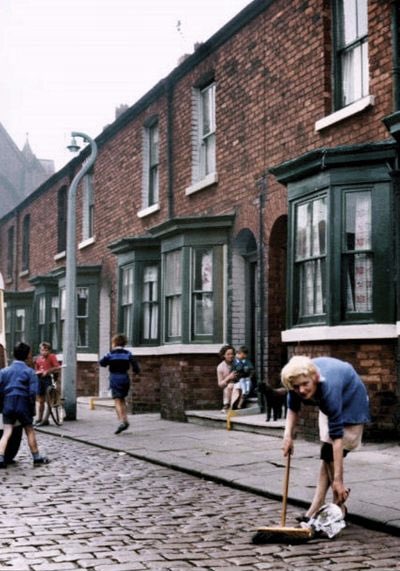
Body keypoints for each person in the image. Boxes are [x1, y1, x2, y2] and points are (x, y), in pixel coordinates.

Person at [280, 355, 370, 522]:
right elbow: (292, 409)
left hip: (351, 401)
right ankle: (323, 506)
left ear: (314, 377)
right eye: (296, 386)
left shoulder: (329, 388)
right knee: (327, 456)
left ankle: (336, 505)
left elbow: (337, 439)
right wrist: (287, 437)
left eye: (305, 384)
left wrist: (338, 481)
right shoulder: (296, 382)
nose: (301, 390)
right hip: (328, 403)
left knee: (329, 452)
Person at [0, 342, 50, 468]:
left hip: (8, 402)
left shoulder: (4, 371)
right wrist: (32, 409)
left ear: (13, 354)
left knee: (7, 431)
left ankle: (0, 457)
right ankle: (36, 457)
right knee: (29, 430)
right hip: (23, 402)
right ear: (28, 355)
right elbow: (32, 392)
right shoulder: (30, 372)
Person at [99, 333, 140, 434]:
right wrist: (136, 372)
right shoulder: (127, 354)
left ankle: (123, 421)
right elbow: (136, 367)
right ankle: (124, 419)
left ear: (114, 343)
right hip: (125, 377)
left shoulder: (110, 354)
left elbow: (102, 363)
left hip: (115, 377)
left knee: (117, 400)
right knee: (122, 399)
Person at [34, 341, 60, 426]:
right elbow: (36, 369)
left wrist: (48, 371)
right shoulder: (38, 359)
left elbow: (57, 367)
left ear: (49, 350)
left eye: (46, 350)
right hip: (40, 379)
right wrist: (38, 372)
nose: (44, 352)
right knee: (40, 400)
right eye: (42, 350)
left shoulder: (52, 357)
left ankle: (45, 419)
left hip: (48, 379)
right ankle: (39, 418)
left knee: (49, 399)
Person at [217, 344, 242, 413]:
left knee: (236, 386)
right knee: (228, 387)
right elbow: (220, 384)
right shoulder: (220, 367)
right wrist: (228, 378)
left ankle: (234, 405)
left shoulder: (237, 363)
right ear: (223, 355)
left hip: (238, 383)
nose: (231, 356)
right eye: (228, 354)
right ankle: (227, 405)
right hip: (228, 387)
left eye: (232, 354)